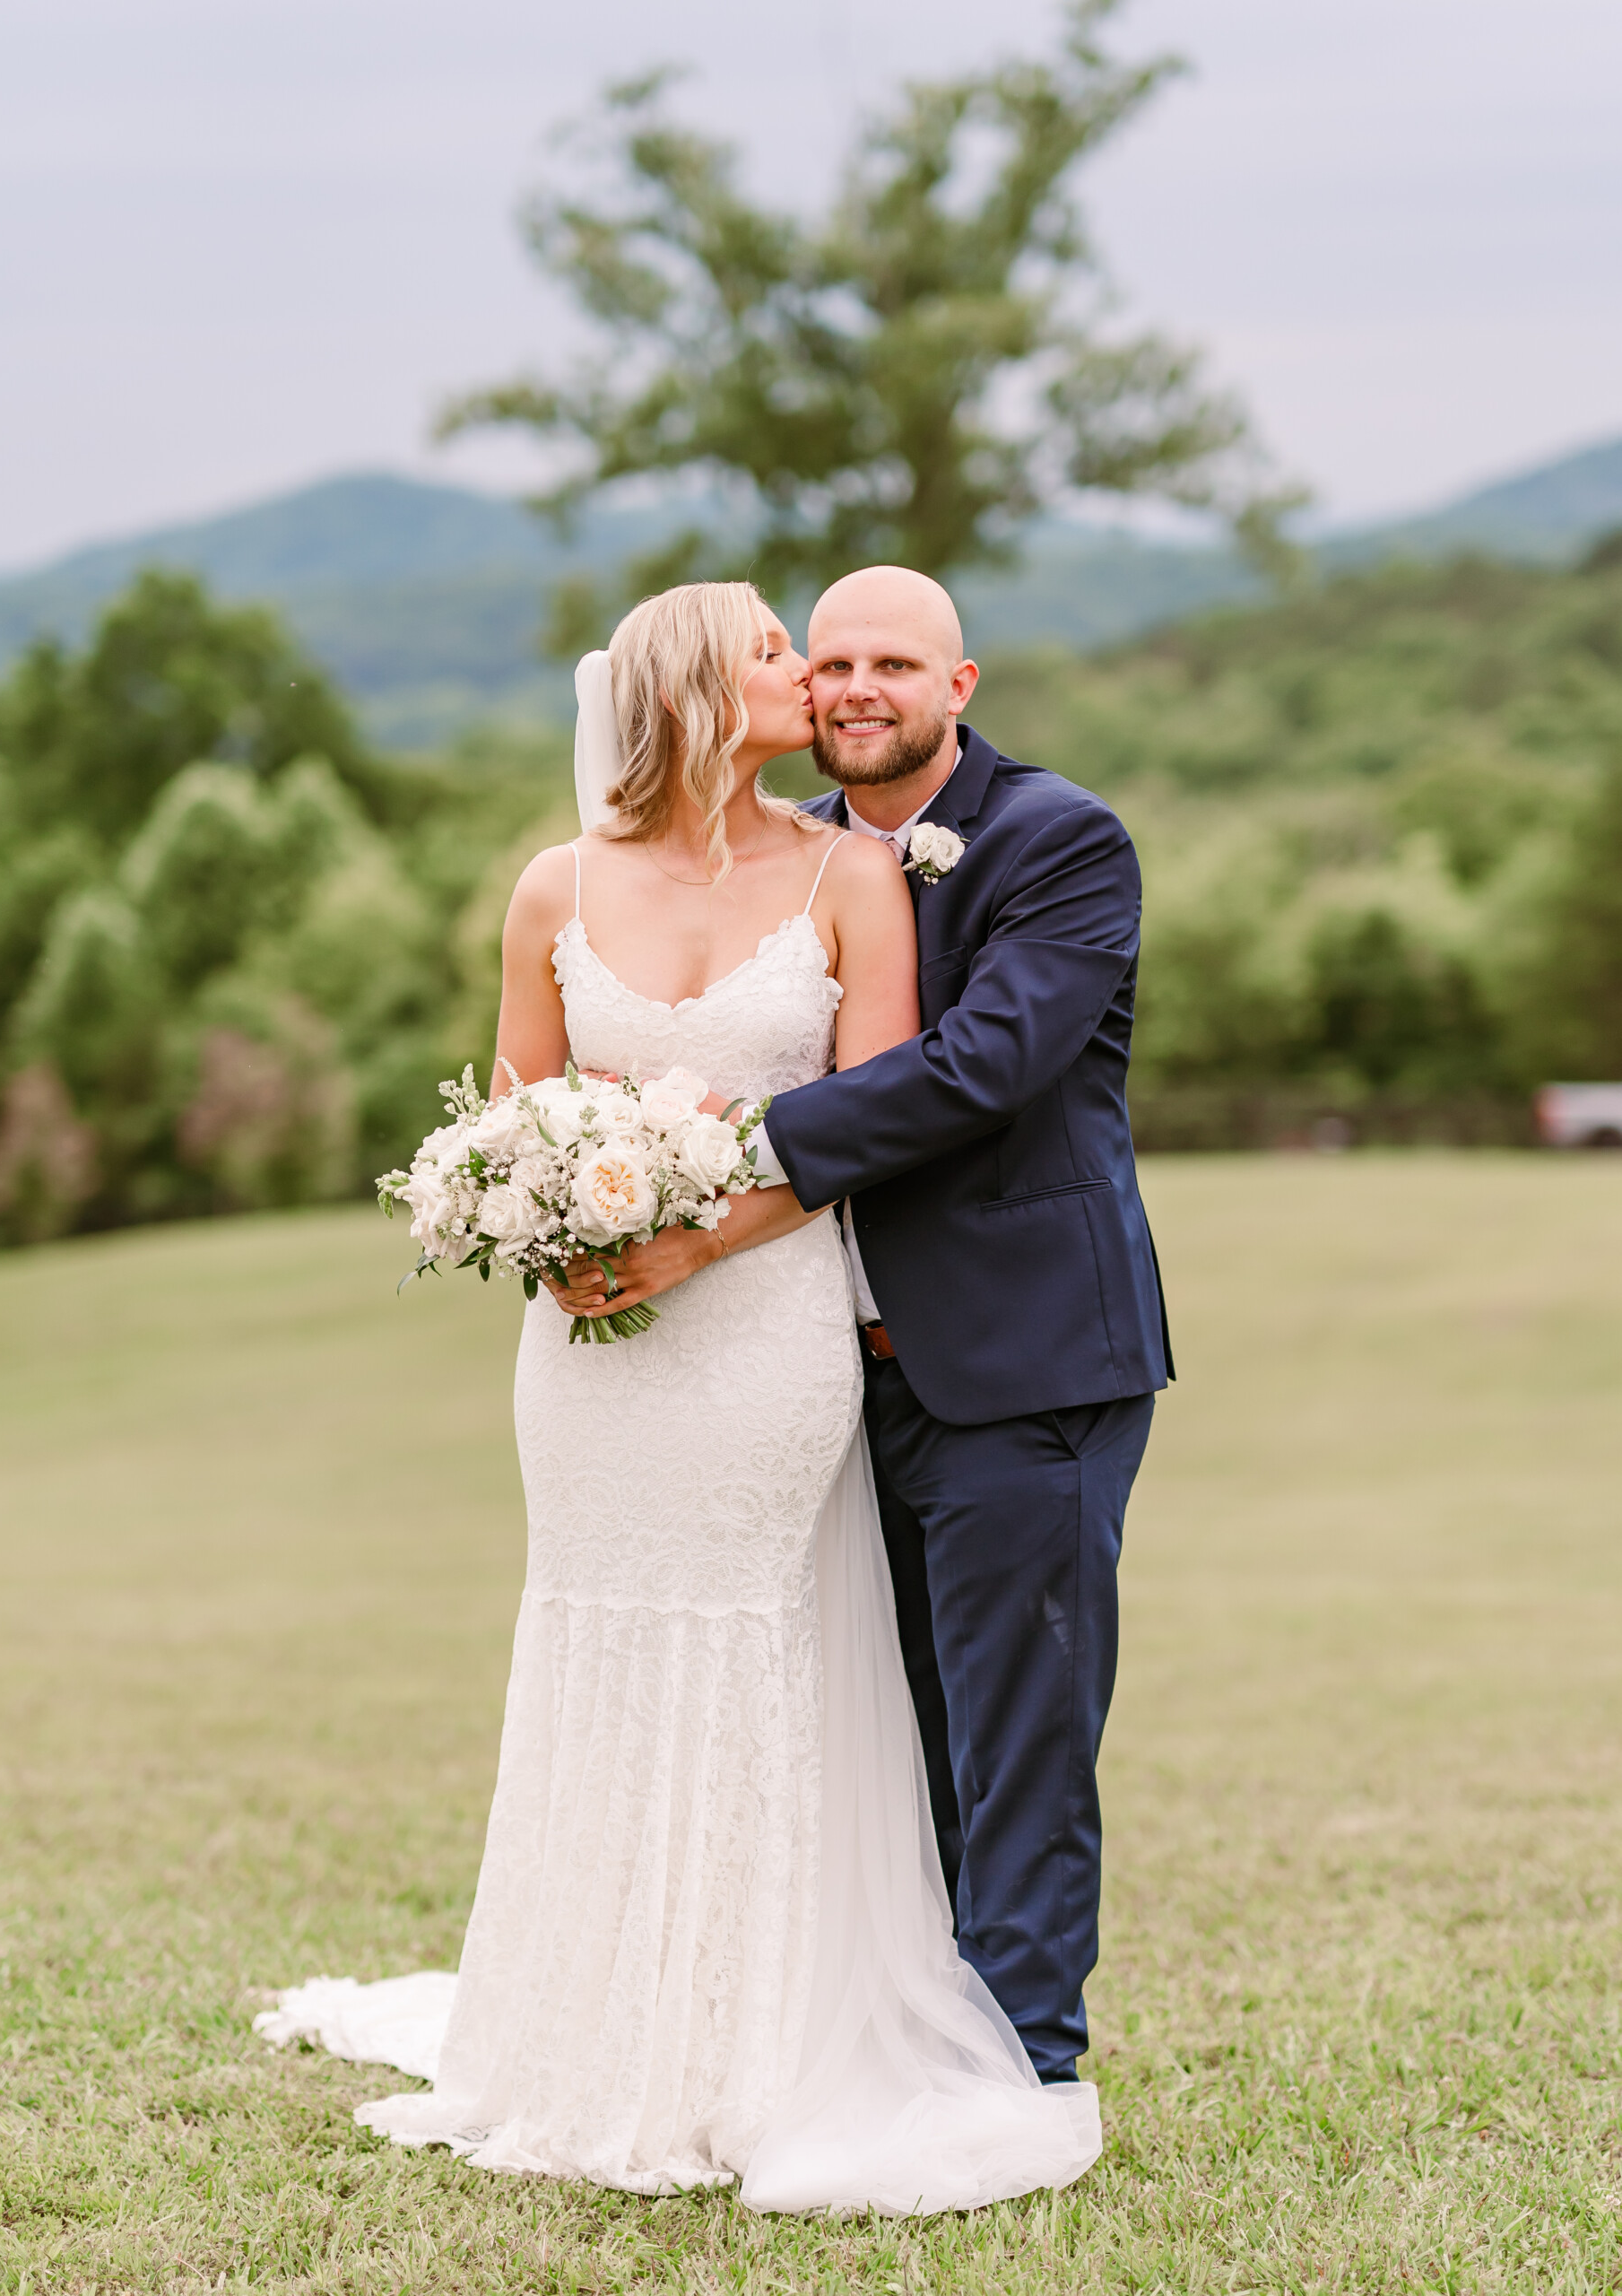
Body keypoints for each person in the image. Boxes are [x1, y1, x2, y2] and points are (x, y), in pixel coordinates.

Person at [256, 580, 1103, 2213]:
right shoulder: (552, 885)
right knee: (597, 1633)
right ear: (704, 691)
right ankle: (588, 2024)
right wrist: (548, 1223)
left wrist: (689, 1240)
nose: (814, 676)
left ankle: (761, 2039)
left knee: (765, 1639)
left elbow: (873, 1118)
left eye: (831, 652)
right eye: (782, 653)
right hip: (589, 1367)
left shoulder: (860, 876)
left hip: (775, 1327)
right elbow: (519, 1108)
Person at [581, 566, 1174, 2091]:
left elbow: (985, 1066)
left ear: (959, 685)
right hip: (824, 1378)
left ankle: (1023, 2065)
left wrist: (726, 1142)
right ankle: (901, 2035)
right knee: (883, 1732)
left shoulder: (1059, 841)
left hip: (1017, 1364)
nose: (853, 686)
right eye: (827, 659)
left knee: (1016, 1735)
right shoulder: (793, 856)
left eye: (892, 664)